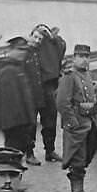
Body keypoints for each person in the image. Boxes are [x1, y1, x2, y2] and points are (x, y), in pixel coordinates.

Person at [55, 43, 97, 192]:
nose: (84, 60)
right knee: (77, 159)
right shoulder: (69, 76)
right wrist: (72, 122)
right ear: (73, 58)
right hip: (76, 126)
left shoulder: (87, 75)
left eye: (87, 57)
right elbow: (61, 102)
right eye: (80, 57)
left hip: (89, 124)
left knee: (85, 157)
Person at [0, 37, 40, 163]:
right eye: (19, 50)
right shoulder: (8, 71)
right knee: (13, 154)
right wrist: (23, 123)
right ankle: (9, 179)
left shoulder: (17, 68)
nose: (23, 53)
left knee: (16, 154)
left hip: (21, 122)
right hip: (15, 123)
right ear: (11, 50)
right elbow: (10, 102)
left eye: (24, 50)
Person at [28, 24, 66, 163]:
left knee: (50, 121)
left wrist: (52, 36)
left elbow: (61, 46)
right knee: (30, 124)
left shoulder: (51, 47)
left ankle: (50, 151)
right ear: (30, 36)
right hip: (31, 91)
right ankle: (29, 153)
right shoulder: (25, 52)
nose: (37, 40)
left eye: (40, 38)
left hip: (48, 88)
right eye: (35, 37)